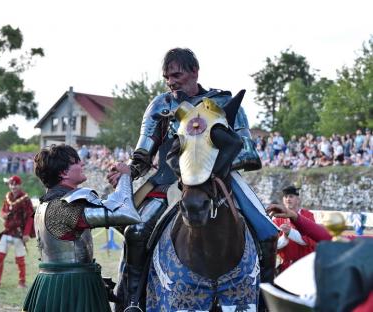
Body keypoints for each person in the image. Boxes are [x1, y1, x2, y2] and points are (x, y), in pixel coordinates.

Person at [108, 47, 278, 311]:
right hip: (169, 181)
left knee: (267, 232)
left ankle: (267, 302)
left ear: (194, 72)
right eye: (167, 77)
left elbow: (247, 151)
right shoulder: (161, 105)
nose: (171, 82)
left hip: (222, 181)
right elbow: (143, 153)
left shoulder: (224, 102)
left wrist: (209, 167)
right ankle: (132, 301)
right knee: (137, 232)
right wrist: (128, 170)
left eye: (177, 75)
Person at [22, 144, 141, 312]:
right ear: (63, 173)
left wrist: (119, 188)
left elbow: (117, 220)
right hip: (72, 286)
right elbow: (127, 214)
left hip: (51, 283)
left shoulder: (46, 205)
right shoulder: (63, 207)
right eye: (76, 162)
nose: (82, 164)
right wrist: (125, 178)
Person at [0, 175, 34, 289]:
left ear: (20, 185)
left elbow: (31, 217)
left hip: (19, 232)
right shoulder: (8, 197)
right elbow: (3, 210)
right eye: (11, 184)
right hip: (7, 231)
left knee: (20, 259)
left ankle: (22, 282)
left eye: (15, 184)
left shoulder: (25, 199)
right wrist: (4, 215)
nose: (13, 187)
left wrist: (26, 233)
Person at [271, 185, 316, 273]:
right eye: (286, 197)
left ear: (298, 199)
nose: (288, 199)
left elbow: (310, 240)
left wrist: (290, 233)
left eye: (291, 196)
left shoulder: (308, 216)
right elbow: (273, 246)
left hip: (305, 266)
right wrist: (284, 237)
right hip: (285, 268)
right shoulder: (277, 219)